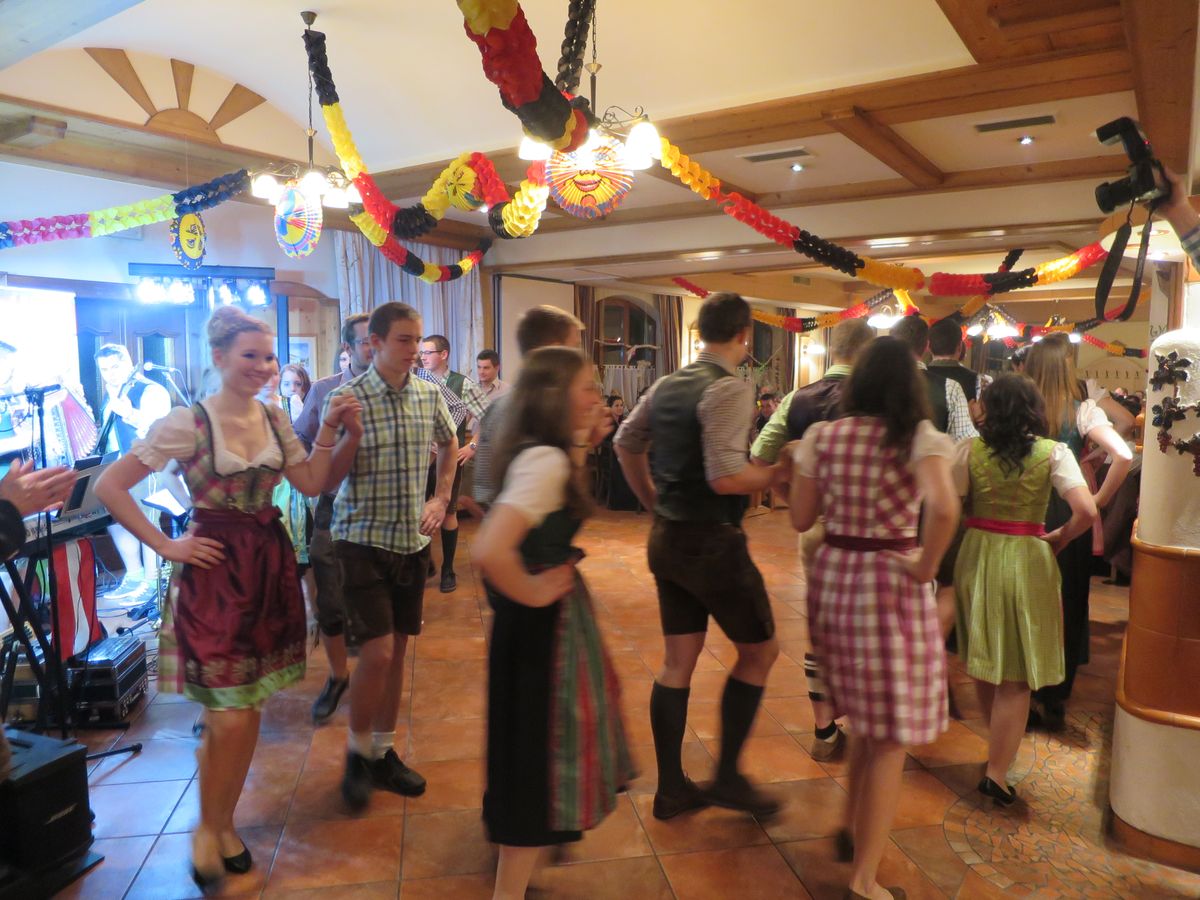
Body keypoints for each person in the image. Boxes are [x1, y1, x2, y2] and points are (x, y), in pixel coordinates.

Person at [93, 306, 361, 891]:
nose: (263, 367)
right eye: (250, 355)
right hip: (215, 575)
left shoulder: (274, 417)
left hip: (267, 568)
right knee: (233, 716)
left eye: (268, 357)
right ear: (218, 357)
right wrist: (167, 544)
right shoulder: (187, 424)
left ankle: (221, 822)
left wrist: (336, 434)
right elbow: (109, 486)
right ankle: (207, 828)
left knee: (244, 711)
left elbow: (312, 483)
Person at [788, 336, 959, 900]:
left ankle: (847, 824)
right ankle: (864, 880)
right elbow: (945, 506)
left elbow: (800, 517)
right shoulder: (918, 437)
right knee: (887, 736)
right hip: (889, 579)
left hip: (836, 577)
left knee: (863, 715)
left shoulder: (823, 436)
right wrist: (926, 564)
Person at [615, 292, 787, 821]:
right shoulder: (730, 387)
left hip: (668, 539)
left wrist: (653, 501)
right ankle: (728, 777)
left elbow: (625, 442)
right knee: (761, 652)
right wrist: (780, 472)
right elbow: (726, 477)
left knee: (677, 663)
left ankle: (672, 789)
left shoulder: (667, 384)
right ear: (744, 335)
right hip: (712, 542)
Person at [473, 346, 634, 900]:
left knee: (532, 759)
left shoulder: (548, 453)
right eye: (586, 387)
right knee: (534, 764)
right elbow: (489, 550)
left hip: (540, 626)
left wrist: (583, 440)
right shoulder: (544, 461)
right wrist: (536, 590)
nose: (596, 397)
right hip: (540, 634)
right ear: (554, 397)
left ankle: (523, 877)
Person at [324, 302, 457, 811]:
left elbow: (450, 443)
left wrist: (440, 498)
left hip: (410, 541)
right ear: (374, 343)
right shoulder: (347, 398)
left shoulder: (428, 393)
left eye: (418, 340)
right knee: (377, 653)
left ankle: (381, 752)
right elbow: (327, 480)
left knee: (398, 650)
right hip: (360, 540)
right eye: (404, 340)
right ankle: (357, 752)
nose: (414, 350)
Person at [951, 374, 1096, 805]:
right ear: (1034, 409)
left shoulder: (968, 451)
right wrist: (1061, 537)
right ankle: (997, 772)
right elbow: (1086, 511)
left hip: (977, 553)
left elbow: (953, 506)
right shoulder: (1054, 453)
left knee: (983, 659)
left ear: (988, 409)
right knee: (1016, 677)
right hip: (1028, 557)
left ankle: (993, 748)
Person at [750, 317, 874, 771]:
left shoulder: (799, 398)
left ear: (833, 350)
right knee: (867, 631)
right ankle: (865, 721)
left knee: (821, 628)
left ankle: (824, 730)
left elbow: (761, 457)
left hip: (818, 527)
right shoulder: (878, 398)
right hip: (872, 531)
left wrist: (790, 496)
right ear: (867, 353)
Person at [1025, 333, 1132, 730]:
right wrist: (1098, 500)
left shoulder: (1019, 407)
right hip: (1069, 509)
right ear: (1067, 368)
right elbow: (1123, 453)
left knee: (1025, 600)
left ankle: (1023, 693)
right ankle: (1055, 697)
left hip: (1025, 508)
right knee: (1068, 601)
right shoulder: (1083, 410)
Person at [295, 313, 372, 724]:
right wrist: (317, 466)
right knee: (328, 595)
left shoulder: (403, 389)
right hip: (334, 503)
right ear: (347, 348)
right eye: (366, 341)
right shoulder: (325, 390)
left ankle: (374, 675)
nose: (374, 349)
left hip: (379, 506)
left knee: (376, 596)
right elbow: (301, 436)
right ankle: (338, 675)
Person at [473, 306, 590, 508]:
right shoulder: (525, 411)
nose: (580, 356)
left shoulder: (502, 406)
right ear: (554, 350)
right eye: (575, 346)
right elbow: (489, 493)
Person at [94, 343, 173, 603]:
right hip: (116, 469)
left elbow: (159, 431)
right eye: (104, 369)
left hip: (145, 467)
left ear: (128, 362)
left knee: (146, 522)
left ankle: (152, 583)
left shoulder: (151, 390)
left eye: (115, 367)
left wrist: (129, 413)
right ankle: (135, 576)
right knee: (117, 521)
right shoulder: (111, 394)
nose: (110, 374)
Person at [419, 334, 488, 593]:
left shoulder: (462, 384)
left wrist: (472, 446)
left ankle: (448, 569)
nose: (423, 357)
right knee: (416, 511)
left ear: (444, 354)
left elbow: (489, 416)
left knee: (449, 512)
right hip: (419, 458)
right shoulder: (415, 379)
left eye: (428, 352)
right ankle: (424, 563)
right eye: (421, 352)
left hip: (448, 459)